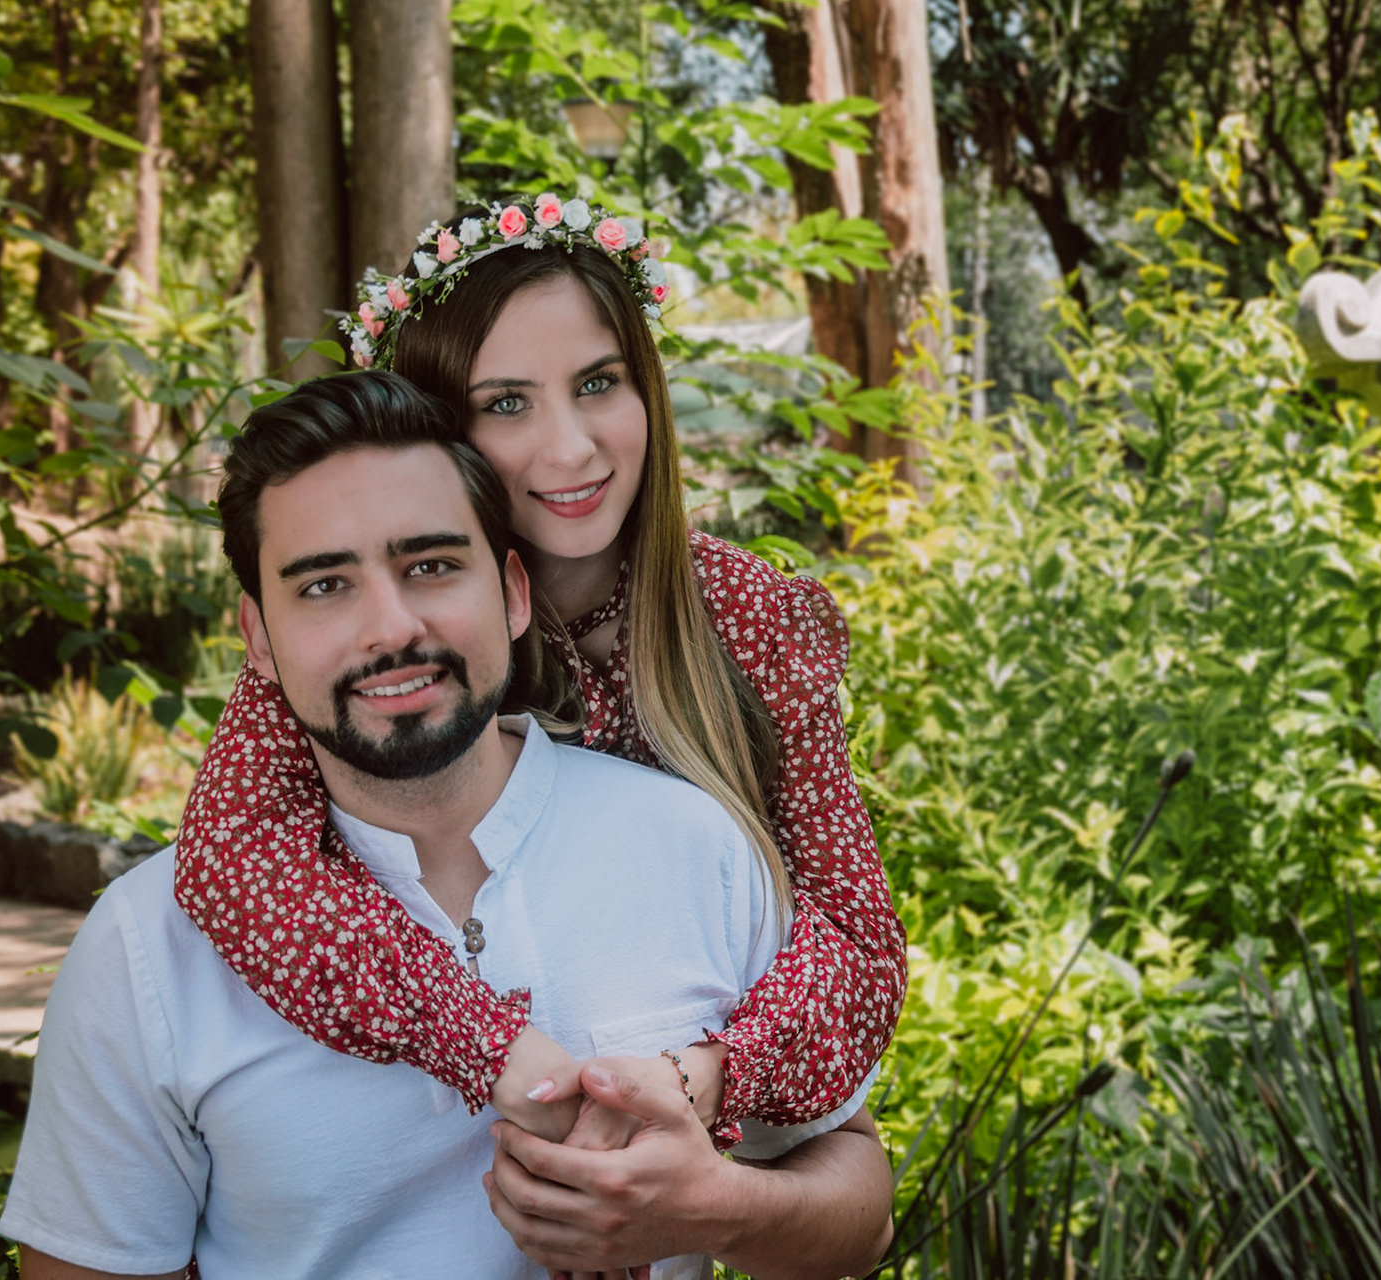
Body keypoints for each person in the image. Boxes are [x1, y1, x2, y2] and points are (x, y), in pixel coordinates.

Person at [0, 373, 893, 1279]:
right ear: (259, 639)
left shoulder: (697, 847)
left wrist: (721, 1209)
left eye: (430, 566)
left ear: (511, 593)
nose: (389, 628)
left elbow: (859, 1219)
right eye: (324, 586)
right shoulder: (149, 944)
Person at [172, 195, 905, 1146]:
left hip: (704, 1118)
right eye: (507, 403)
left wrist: (703, 1077)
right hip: (411, 1125)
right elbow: (234, 856)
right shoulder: (396, 644)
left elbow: (856, 941)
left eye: (599, 384)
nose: (572, 448)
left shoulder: (750, 618)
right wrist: (489, 1042)